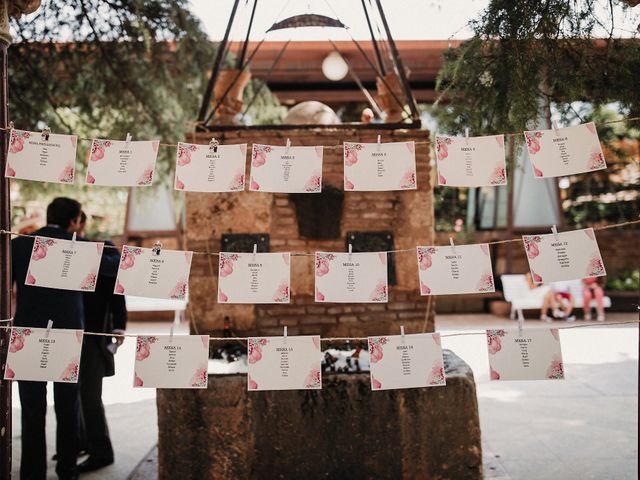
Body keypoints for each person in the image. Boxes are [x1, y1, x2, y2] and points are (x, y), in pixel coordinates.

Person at [11, 198, 119, 480]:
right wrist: (97, 244)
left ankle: (31, 473)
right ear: (74, 221)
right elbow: (116, 265)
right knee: (67, 408)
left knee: (32, 409)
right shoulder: (78, 247)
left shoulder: (19, 244)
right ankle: (67, 470)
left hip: (28, 334)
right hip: (67, 336)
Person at [75, 211, 127, 473]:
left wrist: (119, 326)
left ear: (78, 223)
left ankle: (101, 451)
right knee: (73, 393)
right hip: (67, 333)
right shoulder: (54, 252)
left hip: (94, 335)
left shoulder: (103, 249)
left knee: (90, 396)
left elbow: (118, 292)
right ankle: (81, 441)